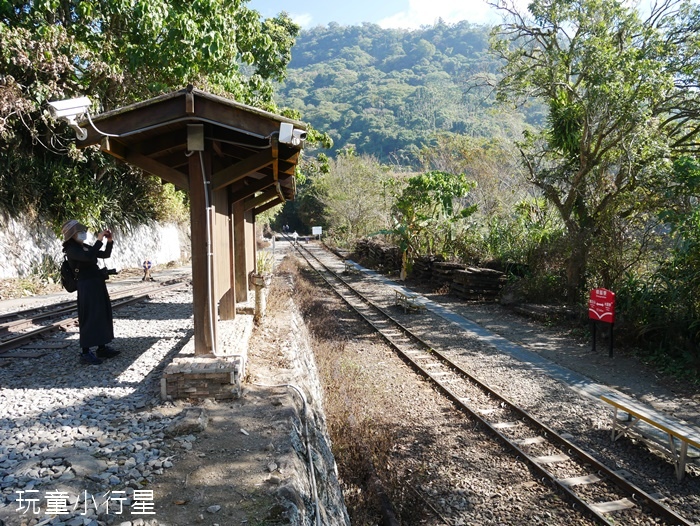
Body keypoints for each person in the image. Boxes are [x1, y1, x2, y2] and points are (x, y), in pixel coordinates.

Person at [61, 220, 120, 365]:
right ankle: (85, 352)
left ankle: (102, 347)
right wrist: (99, 240)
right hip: (86, 285)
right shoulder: (72, 249)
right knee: (89, 316)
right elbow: (87, 257)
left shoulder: (85, 246)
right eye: (79, 232)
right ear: (72, 235)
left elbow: (105, 254)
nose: (83, 234)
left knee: (101, 313)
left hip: (97, 283)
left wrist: (109, 241)